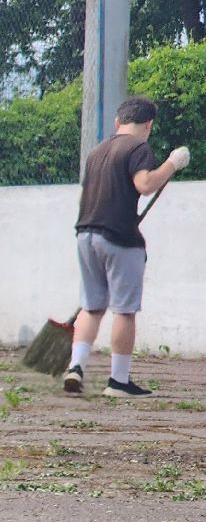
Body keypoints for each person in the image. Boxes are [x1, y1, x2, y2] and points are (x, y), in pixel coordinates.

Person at [63, 96, 189, 398]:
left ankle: (75, 366)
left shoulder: (96, 152)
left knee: (92, 307)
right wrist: (172, 163)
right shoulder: (137, 147)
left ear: (118, 122)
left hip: (86, 235)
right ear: (148, 125)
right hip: (119, 238)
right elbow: (145, 185)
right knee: (124, 310)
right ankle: (118, 382)